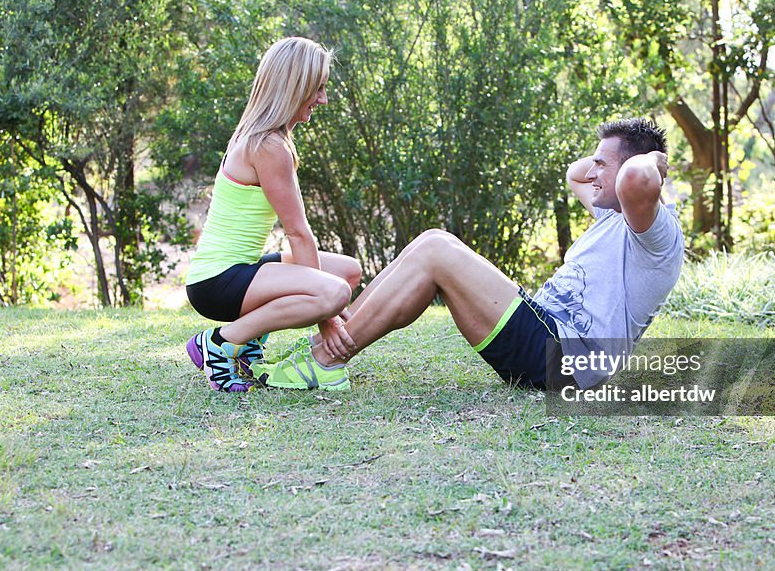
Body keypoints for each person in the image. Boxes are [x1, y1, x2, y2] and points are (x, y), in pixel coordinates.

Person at [252, 117, 684, 391]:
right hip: (546, 338)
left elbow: (635, 180)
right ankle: (323, 344)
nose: (591, 173)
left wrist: (652, 162)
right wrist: (608, 161)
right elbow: (577, 174)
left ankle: (325, 361)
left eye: (602, 166)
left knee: (438, 248)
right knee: (429, 244)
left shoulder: (654, 233)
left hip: (567, 358)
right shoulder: (611, 215)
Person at [184, 37, 360, 393]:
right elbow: (299, 233)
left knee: (348, 271)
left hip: (239, 269)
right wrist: (324, 318)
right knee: (333, 292)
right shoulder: (268, 146)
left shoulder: (263, 138)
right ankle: (220, 342)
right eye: (318, 88)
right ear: (293, 86)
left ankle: (248, 347)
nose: (323, 99)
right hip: (216, 281)